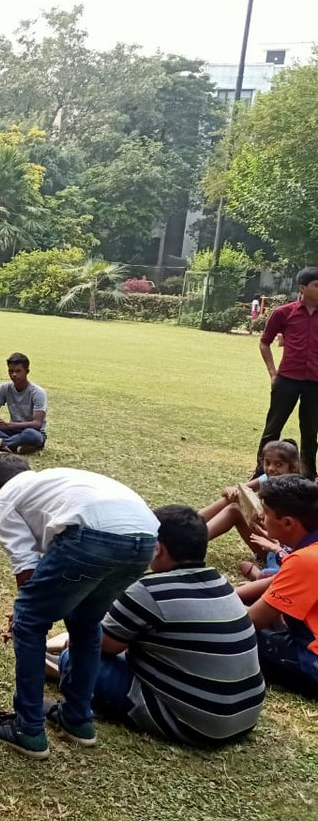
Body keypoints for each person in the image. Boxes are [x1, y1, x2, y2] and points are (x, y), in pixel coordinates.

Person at [0, 456, 158, 758]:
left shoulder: (5, 498)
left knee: (30, 620)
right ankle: (77, 718)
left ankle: (28, 728)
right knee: (87, 621)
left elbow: (25, 569)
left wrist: (29, 613)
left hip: (94, 536)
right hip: (145, 537)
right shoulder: (52, 483)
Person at [51, 505, 264, 746]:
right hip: (243, 717)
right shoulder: (221, 583)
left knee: (73, 657)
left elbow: (102, 646)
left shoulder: (148, 590)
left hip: (196, 725)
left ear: (157, 548)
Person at [245, 475, 318, 696]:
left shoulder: (304, 560)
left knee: (235, 640)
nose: (261, 517)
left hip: (312, 661)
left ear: (288, 522)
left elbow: (249, 624)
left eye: (266, 513)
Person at [200, 439, 300, 574]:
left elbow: (291, 533)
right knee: (234, 500)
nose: (271, 469)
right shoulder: (267, 478)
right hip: (266, 539)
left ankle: (191, 539)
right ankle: (192, 527)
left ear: (292, 468)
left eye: (278, 464)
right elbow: (237, 488)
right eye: (267, 463)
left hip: (280, 550)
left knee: (234, 509)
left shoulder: (295, 491)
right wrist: (230, 490)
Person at [256, 267, 318, 479]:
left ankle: (309, 478)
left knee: (310, 432)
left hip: (315, 382)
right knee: (273, 428)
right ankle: (259, 474)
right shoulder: (284, 312)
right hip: (287, 379)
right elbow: (264, 343)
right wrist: (273, 373)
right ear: (303, 288)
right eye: (317, 285)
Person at [0, 352, 48, 454]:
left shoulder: (37, 392)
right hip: (12, 431)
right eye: (11, 371)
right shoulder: (5, 388)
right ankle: (16, 445)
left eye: (18, 371)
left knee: (31, 435)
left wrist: (8, 425)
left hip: (31, 431)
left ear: (27, 371)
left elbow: (37, 424)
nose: (14, 375)